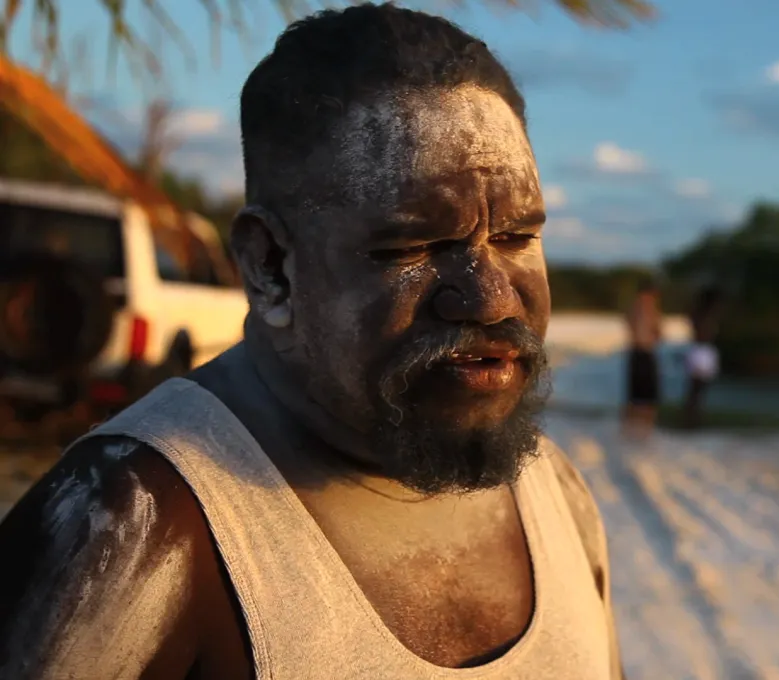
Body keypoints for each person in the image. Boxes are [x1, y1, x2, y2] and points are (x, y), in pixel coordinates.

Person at [0, 5, 623, 679]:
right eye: (413, 245)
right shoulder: (133, 523)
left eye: (516, 238)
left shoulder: (556, 493)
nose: (491, 296)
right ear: (270, 269)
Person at [623, 279, 662, 439]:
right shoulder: (645, 308)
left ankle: (638, 427)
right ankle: (641, 428)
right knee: (644, 393)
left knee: (639, 392)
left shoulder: (637, 308)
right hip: (642, 351)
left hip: (641, 351)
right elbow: (656, 332)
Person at [682, 285, 723, 429]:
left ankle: (693, 417)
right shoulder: (704, 315)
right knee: (697, 389)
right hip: (701, 351)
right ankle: (691, 418)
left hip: (702, 350)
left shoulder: (700, 314)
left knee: (697, 389)